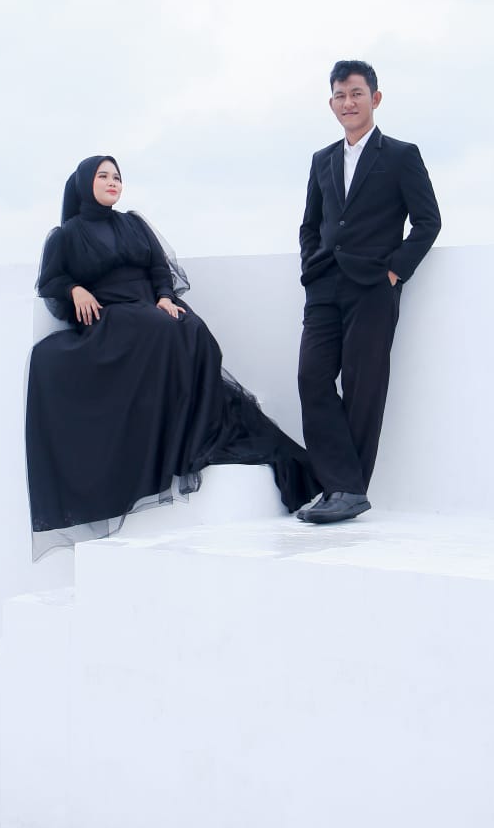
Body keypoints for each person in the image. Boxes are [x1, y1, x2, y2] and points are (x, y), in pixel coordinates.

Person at [26, 155, 319, 558]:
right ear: (83, 184)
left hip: (149, 305)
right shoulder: (67, 235)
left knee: (193, 329)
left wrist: (165, 296)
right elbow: (52, 280)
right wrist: (75, 289)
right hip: (112, 314)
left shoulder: (133, 223)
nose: (112, 182)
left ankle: (189, 420)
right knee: (160, 330)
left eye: (117, 176)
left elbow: (158, 269)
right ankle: (172, 426)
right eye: (103, 176)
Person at [296, 60, 441, 524]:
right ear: (331, 103)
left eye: (356, 93)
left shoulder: (400, 155)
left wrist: (395, 272)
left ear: (375, 98)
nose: (348, 103)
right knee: (311, 378)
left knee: (364, 387)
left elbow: (428, 221)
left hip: (374, 286)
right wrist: (312, 266)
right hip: (324, 285)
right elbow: (310, 225)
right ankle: (343, 486)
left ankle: (347, 491)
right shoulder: (322, 159)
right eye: (340, 95)